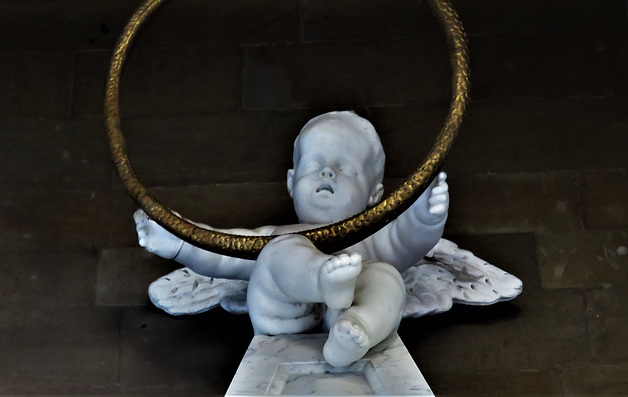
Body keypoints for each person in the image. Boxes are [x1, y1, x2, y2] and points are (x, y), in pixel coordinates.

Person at [136, 111, 449, 366]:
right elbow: (220, 251)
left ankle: (358, 328)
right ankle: (320, 279)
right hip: (284, 317)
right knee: (280, 251)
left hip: (346, 307)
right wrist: (178, 239)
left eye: (345, 168)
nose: (327, 173)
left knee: (386, 277)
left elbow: (405, 240)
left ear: (374, 195)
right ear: (291, 181)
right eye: (314, 165)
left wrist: (424, 215)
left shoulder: (370, 239)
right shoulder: (277, 235)